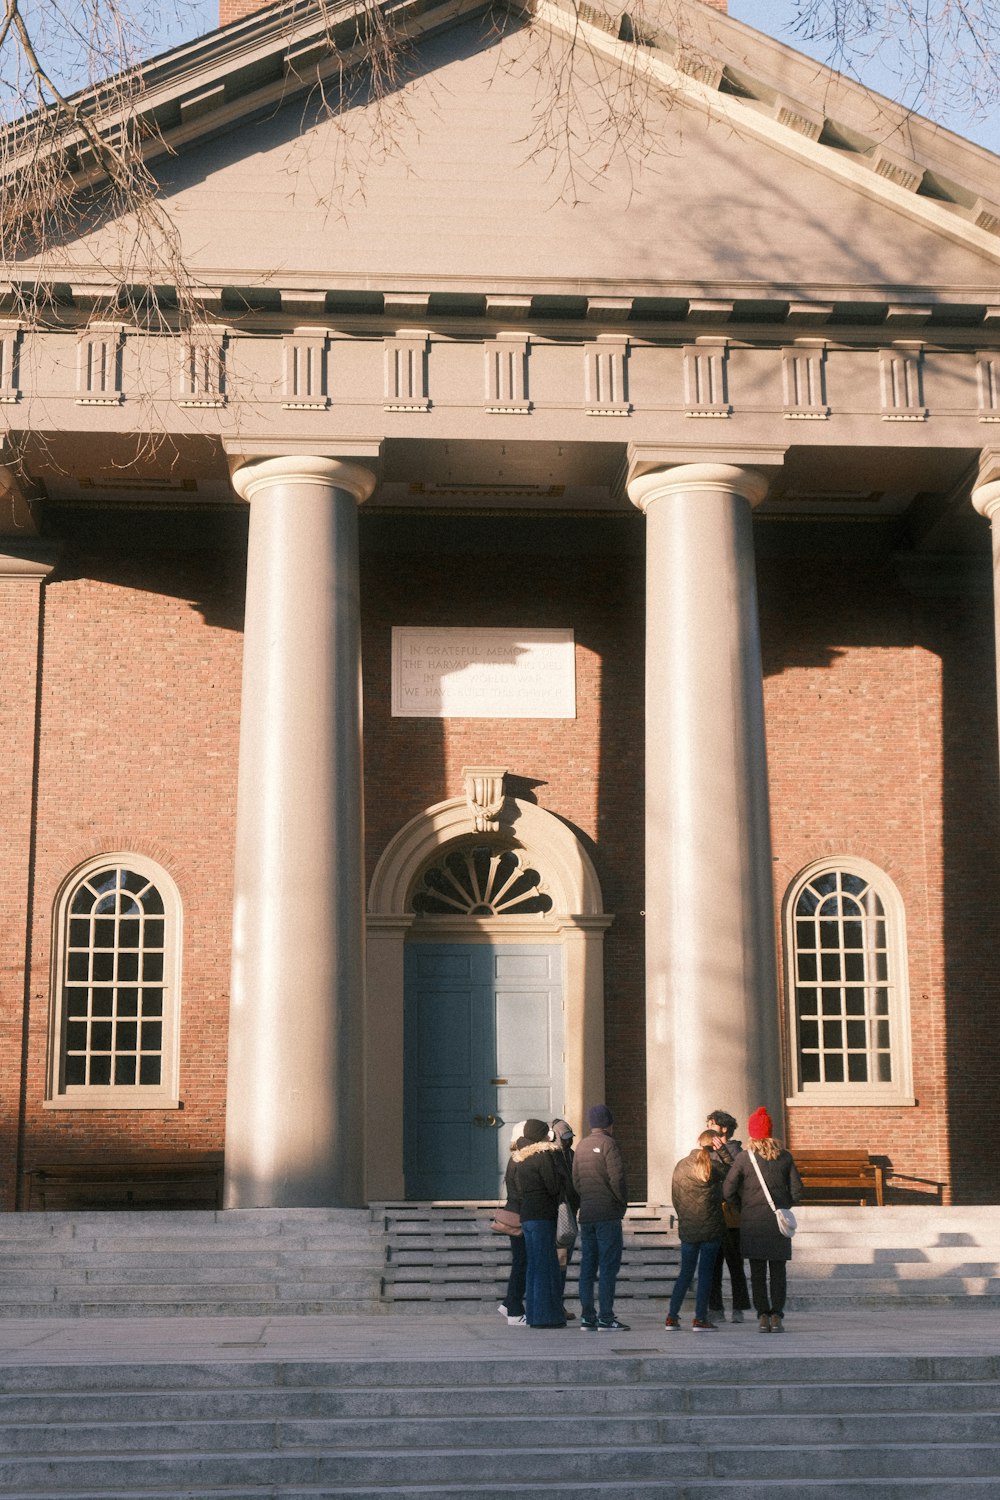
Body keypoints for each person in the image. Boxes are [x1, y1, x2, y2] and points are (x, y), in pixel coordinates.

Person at [722, 1107, 803, 1333]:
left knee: (757, 1273)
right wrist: (783, 1207)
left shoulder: (744, 1158)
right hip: (778, 1224)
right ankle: (777, 1315)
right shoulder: (785, 1156)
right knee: (778, 1271)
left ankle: (762, 1317)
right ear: (770, 1132)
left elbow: (727, 1190)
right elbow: (797, 1191)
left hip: (752, 1223)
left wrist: (742, 1207)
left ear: (752, 1133)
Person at [572, 1104, 630, 1331]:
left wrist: (587, 1198)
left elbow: (576, 1181)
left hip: (586, 1214)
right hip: (607, 1214)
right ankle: (606, 1317)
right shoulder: (609, 1144)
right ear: (609, 1123)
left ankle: (587, 1317)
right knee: (607, 1267)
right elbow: (617, 1179)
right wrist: (622, 1203)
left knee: (588, 1266)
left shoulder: (581, 1146)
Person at [664, 1130, 726, 1332]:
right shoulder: (714, 1166)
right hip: (711, 1228)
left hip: (689, 1228)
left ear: (698, 1142)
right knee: (706, 1275)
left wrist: (684, 1216)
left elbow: (675, 1197)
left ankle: (672, 1317)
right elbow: (735, 1172)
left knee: (685, 1273)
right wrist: (724, 1151)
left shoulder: (681, 1165)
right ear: (714, 1145)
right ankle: (700, 1318)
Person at [513, 1118, 570, 1328]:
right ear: (540, 1135)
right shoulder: (543, 1155)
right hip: (543, 1217)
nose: (549, 1137)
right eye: (546, 1133)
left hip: (527, 1216)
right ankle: (548, 1317)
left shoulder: (521, 1159)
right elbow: (553, 1186)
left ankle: (535, 1314)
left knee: (534, 1268)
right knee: (547, 1266)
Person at [705, 1108, 752, 1325]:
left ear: (724, 1128)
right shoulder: (705, 1151)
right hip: (713, 1215)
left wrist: (722, 1152)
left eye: (711, 1124)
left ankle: (739, 1308)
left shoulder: (739, 1153)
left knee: (735, 1265)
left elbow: (738, 1176)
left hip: (732, 1216)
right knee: (713, 1266)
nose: (708, 1127)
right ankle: (715, 1307)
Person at [497, 1119, 527, 1326]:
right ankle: (514, 1308)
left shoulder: (514, 1159)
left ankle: (510, 1303)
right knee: (522, 1263)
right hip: (520, 1216)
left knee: (521, 1262)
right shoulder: (521, 1159)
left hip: (517, 1213)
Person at [551, 1118, 579, 1320]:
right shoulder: (551, 1157)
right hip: (558, 1217)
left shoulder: (572, 1155)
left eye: (570, 1137)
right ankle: (554, 1304)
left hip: (570, 1214)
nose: (569, 1141)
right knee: (559, 1261)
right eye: (565, 1137)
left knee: (563, 1261)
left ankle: (556, 1303)